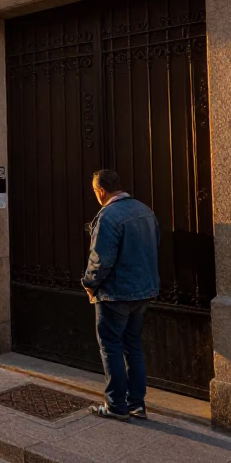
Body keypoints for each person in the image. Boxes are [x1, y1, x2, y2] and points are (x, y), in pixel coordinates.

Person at [81, 169, 160, 421]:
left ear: (101, 190)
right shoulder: (145, 210)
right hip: (142, 291)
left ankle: (116, 405)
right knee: (133, 345)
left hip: (115, 294)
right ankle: (137, 404)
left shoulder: (108, 216)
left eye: (95, 192)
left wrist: (89, 283)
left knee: (111, 346)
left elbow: (100, 259)